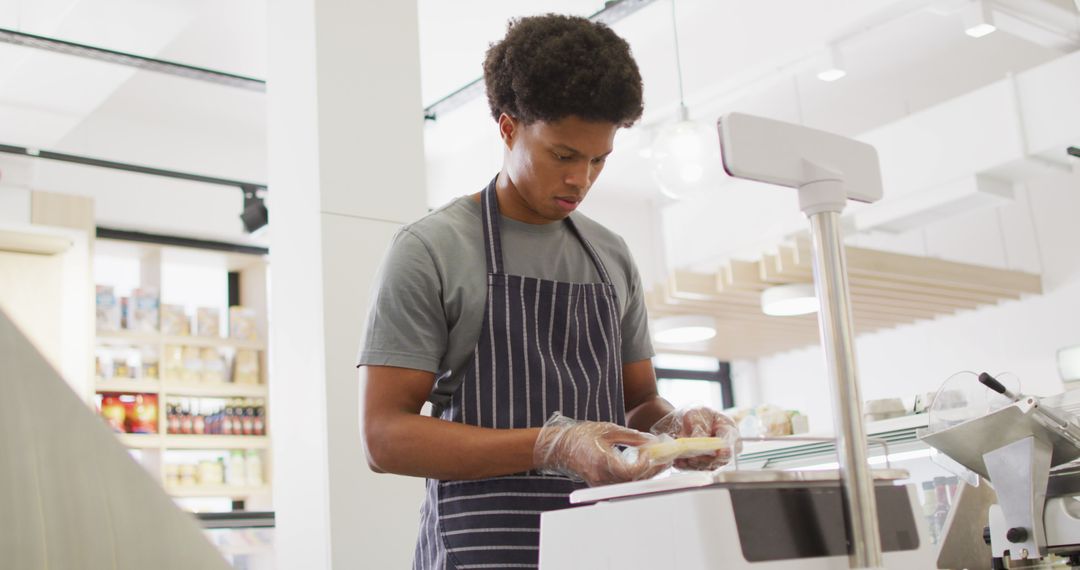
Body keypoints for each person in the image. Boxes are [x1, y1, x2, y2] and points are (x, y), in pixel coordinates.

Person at [357, 13, 737, 570]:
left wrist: (679, 430)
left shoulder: (610, 256)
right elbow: (384, 437)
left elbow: (639, 402)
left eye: (598, 159)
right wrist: (549, 445)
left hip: (606, 547)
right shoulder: (431, 249)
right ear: (509, 128)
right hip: (480, 549)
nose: (580, 179)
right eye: (562, 155)